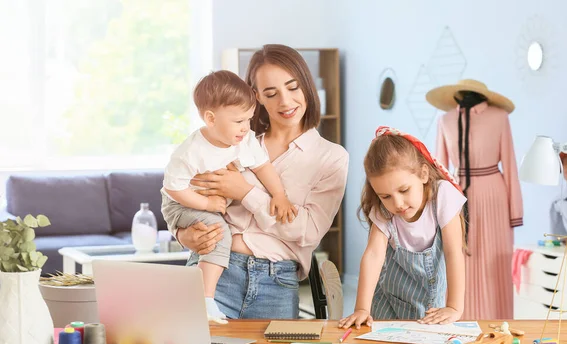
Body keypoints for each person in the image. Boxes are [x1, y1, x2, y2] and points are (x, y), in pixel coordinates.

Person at [164, 44, 349, 319]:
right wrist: (181, 234)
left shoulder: (331, 157)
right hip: (215, 272)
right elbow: (180, 191)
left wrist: (245, 191)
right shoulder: (235, 142)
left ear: (307, 85)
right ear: (257, 97)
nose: (285, 102)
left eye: (293, 87)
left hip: (276, 283)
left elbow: (308, 232)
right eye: (271, 93)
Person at [161, 70, 296, 321]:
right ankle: (206, 298)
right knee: (218, 231)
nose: (246, 128)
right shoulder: (191, 151)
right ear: (210, 118)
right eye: (238, 121)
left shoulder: (243, 141)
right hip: (181, 201)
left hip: (204, 202)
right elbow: (173, 189)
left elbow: (262, 166)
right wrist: (207, 203)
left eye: (249, 119)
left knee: (216, 227)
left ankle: (205, 296)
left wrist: (280, 195)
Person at [339, 126, 466, 329]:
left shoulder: (443, 195)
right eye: (385, 196)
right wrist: (362, 308)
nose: (397, 203)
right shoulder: (384, 210)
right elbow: (373, 256)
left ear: (423, 175)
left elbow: (453, 253)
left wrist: (454, 307)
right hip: (388, 301)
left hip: (431, 307)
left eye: (404, 190)